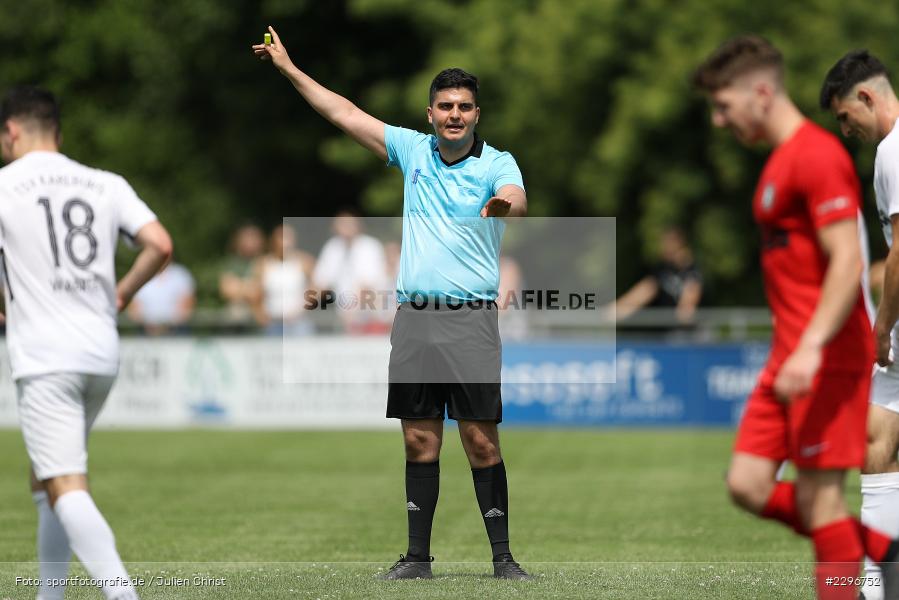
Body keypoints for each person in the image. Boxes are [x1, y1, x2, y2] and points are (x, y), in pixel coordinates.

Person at [254, 28, 531, 580]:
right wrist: (287, 67)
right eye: (446, 107)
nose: (455, 115)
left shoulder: (497, 163)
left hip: (471, 319)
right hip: (415, 321)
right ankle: (418, 559)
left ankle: (503, 559)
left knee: (480, 439)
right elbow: (344, 113)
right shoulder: (411, 150)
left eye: (465, 107)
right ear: (430, 114)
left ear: (478, 115)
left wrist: (502, 204)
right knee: (418, 437)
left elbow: (517, 199)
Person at [693, 36, 899, 600]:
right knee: (748, 485)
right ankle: (879, 549)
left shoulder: (818, 156)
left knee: (822, 502)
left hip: (826, 353)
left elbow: (848, 260)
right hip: (791, 352)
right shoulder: (780, 162)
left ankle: (854, 575)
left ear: (760, 92)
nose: (718, 120)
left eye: (723, 105)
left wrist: (810, 347)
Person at [0, 86, 172, 600]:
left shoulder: (6, 185)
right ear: (57, 129)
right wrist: (119, 293)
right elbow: (159, 244)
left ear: (11, 131)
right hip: (100, 350)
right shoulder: (104, 182)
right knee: (46, 479)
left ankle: (122, 595)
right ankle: (49, 595)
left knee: (66, 484)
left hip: (46, 355)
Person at [820, 49, 899, 600]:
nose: (846, 130)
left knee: (876, 436)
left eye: (846, 117)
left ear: (867, 97)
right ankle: (878, 578)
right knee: (878, 435)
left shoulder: (892, 153)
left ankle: (875, 580)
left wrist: (882, 325)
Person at [312, 210, 391, 334]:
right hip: (344, 319)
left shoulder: (371, 246)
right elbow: (320, 281)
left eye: (349, 224)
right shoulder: (332, 248)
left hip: (371, 316)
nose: (346, 228)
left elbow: (371, 283)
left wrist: (352, 310)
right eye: (342, 224)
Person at [613, 227, 703, 324]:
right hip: (671, 333)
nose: (662, 248)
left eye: (666, 243)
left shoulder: (693, 272)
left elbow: (687, 309)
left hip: (694, 334)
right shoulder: (662, 270)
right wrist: (608, 315)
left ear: (678, 243)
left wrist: (685, 311)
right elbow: (641, 294)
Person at [252, 223, 315, 336]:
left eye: (288, 238)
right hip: (273, 322)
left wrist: (303, 307)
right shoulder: (264, 264)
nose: (285, 242)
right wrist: (260, 313)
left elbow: (316, 287)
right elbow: (256, 292)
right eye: (281, 237)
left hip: (298, 322)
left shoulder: (304, 262)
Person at [127, 260, 196, 335]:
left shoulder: (181, 274)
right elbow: (133, 309)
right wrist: (149, 325)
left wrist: (165, 326)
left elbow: (186, 308)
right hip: (145, 332)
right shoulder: (140, 274)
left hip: (176, 331)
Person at [219, 223, 265, 325]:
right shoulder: (231, 263)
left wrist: (239, 286)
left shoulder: (264, 262)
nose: (249, 242)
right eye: (246, 238)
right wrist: (250, 287)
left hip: (261, 320)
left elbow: (259, 292)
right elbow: (226, 291)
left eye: (253, 238)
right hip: (236, 321)